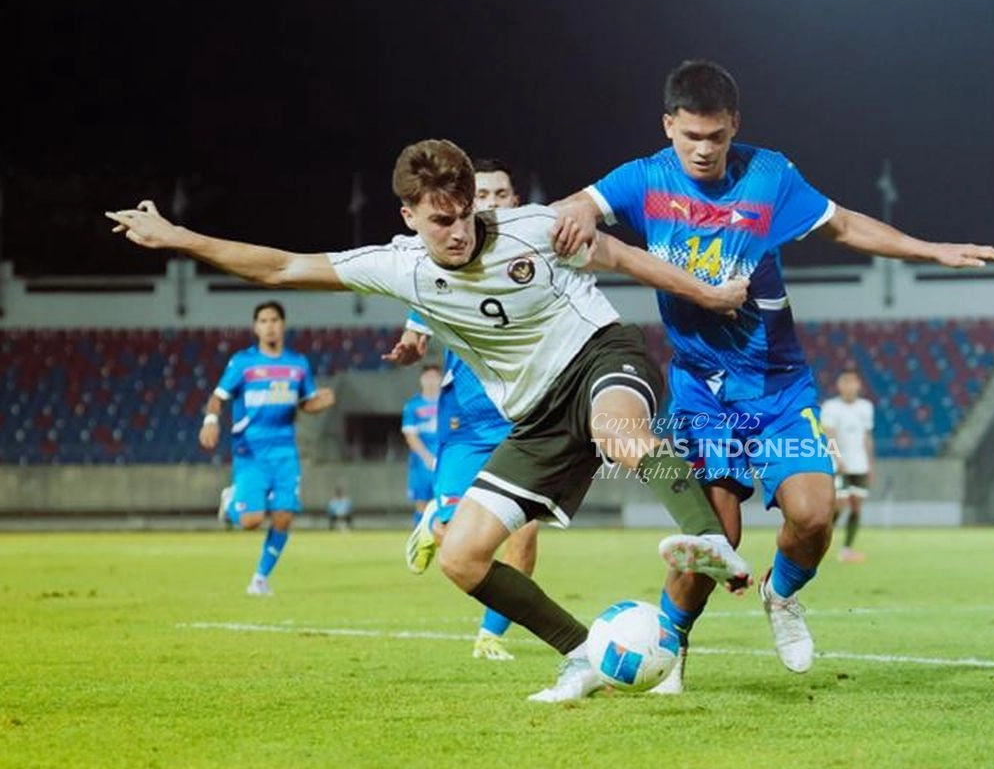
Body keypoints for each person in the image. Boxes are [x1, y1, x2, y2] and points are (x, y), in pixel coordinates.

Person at [106, 138, 753, 702]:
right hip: (534, 415)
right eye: (441, 219)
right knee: (461, 557)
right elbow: (282, 266)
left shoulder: (531, 227)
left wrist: (707, 293)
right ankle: (585, 654)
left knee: (621, 433)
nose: (458, 231)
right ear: (409, 215)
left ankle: (709, 542)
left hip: (600, 356)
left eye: (466, 213)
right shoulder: (400, 267)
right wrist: (180, 239)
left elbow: (618, 257)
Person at [554, 59, 994, 692]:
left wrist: (932, 250)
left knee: (815, 513)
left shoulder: (770, 176)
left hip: (775, 384)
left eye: (717, 136)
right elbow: (579, 206)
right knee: (713, 532)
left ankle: (782, 597)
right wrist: (571, 211)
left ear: (734, 125)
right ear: (668, 127)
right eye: (691, 136)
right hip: (701, 393)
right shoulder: (644, 180)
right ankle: (671, 650)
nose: (705, 149)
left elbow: (845, 225)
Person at [400, 159, 541, 662]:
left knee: (522, 535)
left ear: (515, 202)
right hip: (466, 418)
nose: (492, 203)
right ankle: (434, 520)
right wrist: (412, 338)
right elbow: (419, 315)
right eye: (482, 195)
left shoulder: (535, 259)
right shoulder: (447, 262)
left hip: (525, 420)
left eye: (501, 194)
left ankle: (491, 635)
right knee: (455, 534)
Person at [203, 300, 336, 594]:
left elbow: (305, 403)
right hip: (250, 451)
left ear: (283, 325)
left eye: (274, 320)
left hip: (285, 451)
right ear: (255, 327)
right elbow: (217, 397)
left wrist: (321, 403)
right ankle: (231, 502)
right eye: (263, 321)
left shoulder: (298, 364)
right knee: (251, 521)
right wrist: (211, 419)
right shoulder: (243, 363)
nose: (269, 325)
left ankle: (260, 579)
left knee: (283, 517)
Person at [821, 367, 875, 563]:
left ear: (858, 385)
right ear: (839, 385)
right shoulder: (831, 407)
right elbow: (829, 434)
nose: (849, 386)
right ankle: (819, 542)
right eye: (845, 382)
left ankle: (846, 549)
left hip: (859, 465)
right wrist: (837, 458)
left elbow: (867, 437)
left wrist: (870, 464)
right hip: (839, 465)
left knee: (856, 508)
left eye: (853, 382)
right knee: (839, 506)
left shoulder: (866, 407)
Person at [402, 364, 441, 525]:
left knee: (448, 501)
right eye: (428, 377)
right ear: (421, 380)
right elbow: (410, 435)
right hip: (421, 463)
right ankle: (420, 543)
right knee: (421, 504)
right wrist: (427, 457)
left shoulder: (449, 404)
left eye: (435, 377)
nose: (431, 382)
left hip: (446, 459)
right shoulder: (413, 405)